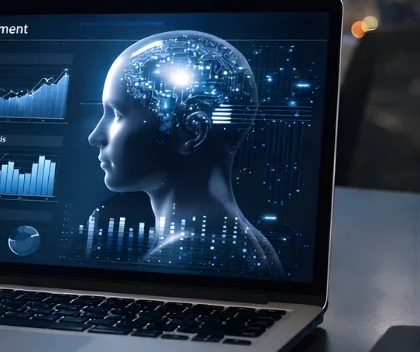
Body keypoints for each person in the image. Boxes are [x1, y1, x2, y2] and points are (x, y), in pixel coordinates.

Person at [87, 30, 284, 277]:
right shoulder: (246, 240)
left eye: (117, 114)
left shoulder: (185, 255)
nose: (95, 137)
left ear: (192, 132)